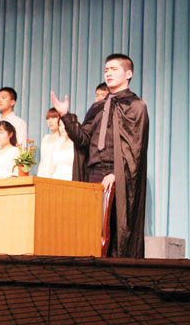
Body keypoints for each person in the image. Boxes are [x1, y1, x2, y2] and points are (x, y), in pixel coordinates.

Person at [51, 53, 149, 258]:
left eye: (114, 69)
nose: (108, 73)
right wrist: (65, 116)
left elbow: (136, 149)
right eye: (106, 70)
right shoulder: (97, 107)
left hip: (118, 175)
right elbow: (83, 140)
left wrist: (116, 173)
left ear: (128, 74)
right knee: (91, 230)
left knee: (115, 229)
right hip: (94, 173)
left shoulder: (135, 106)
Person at [37, 108, 61, 178]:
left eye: (53, 118)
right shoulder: (45, 138)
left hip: (56, 176)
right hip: (42, 174)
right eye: (48, 118)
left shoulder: (62, 139)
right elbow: (42, 160)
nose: (50, 121)